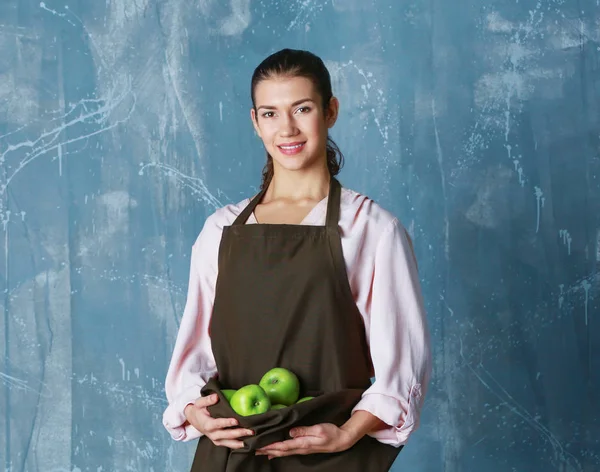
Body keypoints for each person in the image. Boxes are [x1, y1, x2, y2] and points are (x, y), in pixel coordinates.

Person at [162, 48, 432, 471]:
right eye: (270, 113)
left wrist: (347, 432)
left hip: (327, 455)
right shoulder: (220, 230)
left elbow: (403, 366)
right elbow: (193, 357)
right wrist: (195, 411)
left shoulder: (372, 230)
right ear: (255, 122)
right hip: (231, 455)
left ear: (330, 111)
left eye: (301, 108)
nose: (286, 128)